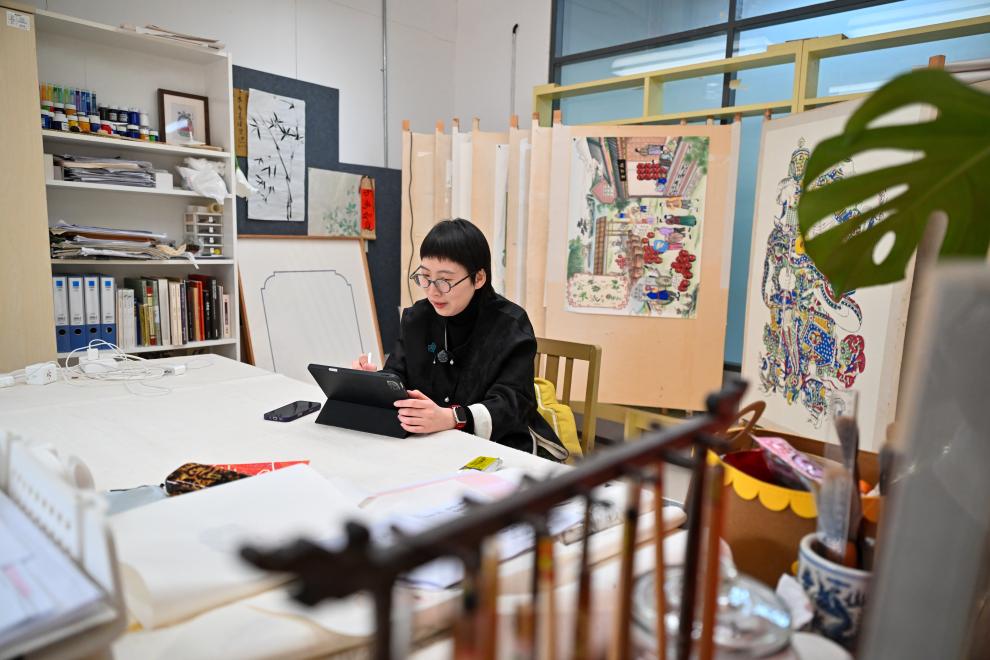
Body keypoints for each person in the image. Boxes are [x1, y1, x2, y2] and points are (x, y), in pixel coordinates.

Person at [353, 219, 565, 459]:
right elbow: (398, 375)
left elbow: (512, 404)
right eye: (425, 277)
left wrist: (453, 418)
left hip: (498, 446)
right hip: (429, 444)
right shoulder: (417, 318)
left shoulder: (510, 325)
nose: (432, 291)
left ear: (479, 278)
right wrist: (375, 383)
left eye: (445, 281)